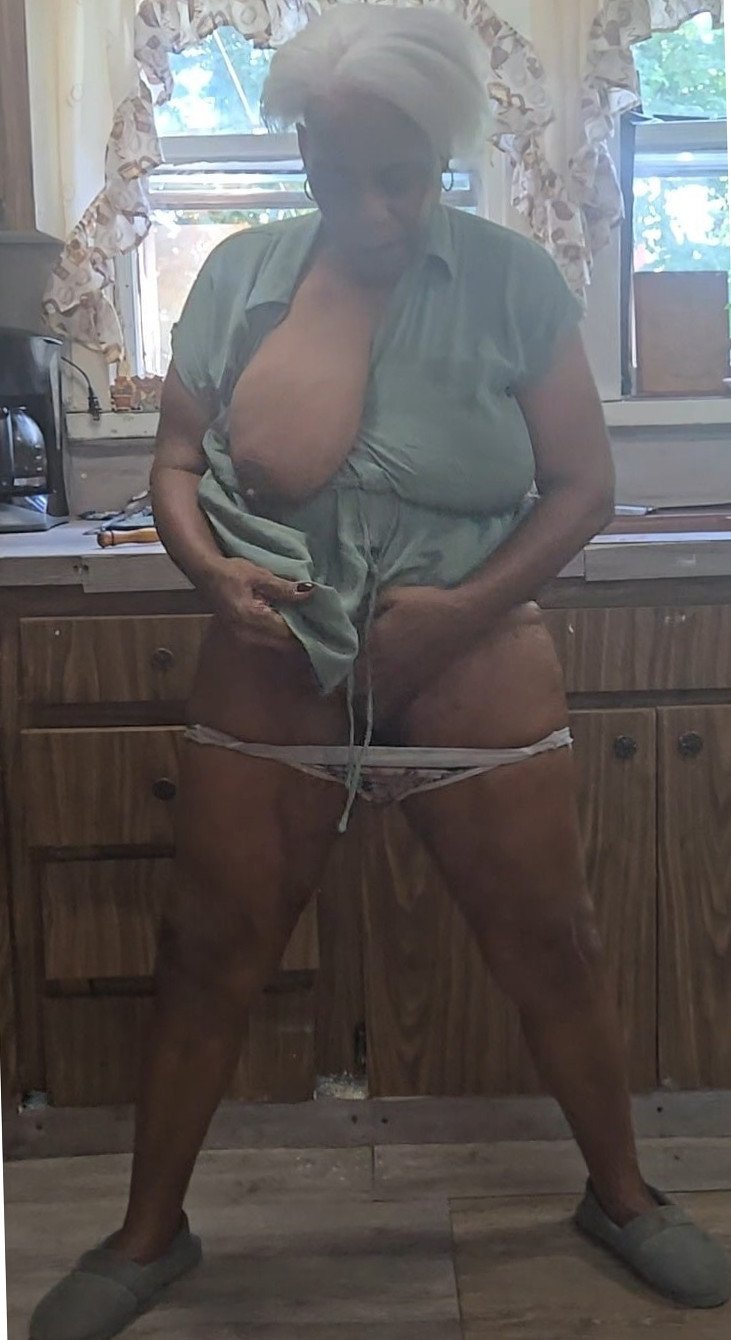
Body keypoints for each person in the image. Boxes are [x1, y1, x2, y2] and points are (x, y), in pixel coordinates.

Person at [30, 7, 730, 1338]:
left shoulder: (515, 281)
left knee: (554, 944)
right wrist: (210, 574)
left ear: (445, 156)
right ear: (302, 153)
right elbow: (172, 463)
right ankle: (147, 1233)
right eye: (338, 175)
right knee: (207, 948)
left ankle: (626, 1195)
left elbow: (583, 488)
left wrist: (458, 613)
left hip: (471, 650)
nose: (371, 209)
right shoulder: (239, 275)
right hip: (273, 651)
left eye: (401, 177)